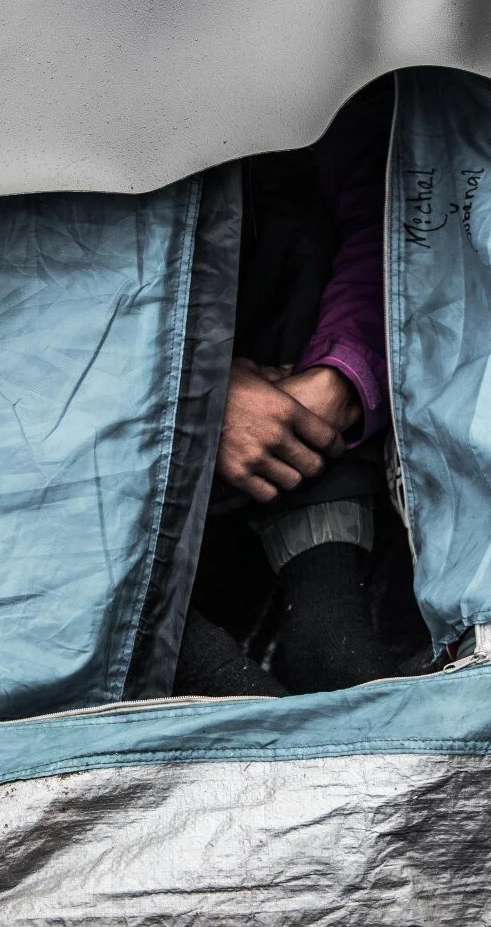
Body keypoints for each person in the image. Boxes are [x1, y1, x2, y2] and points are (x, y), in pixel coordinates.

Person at [174, 77, 400, 697]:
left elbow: (388, 215)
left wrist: (341, 379)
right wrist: (196, 395)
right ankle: (168, 645)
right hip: (104, 437)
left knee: (287, 182)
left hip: (301, 402)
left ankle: (327, 603)